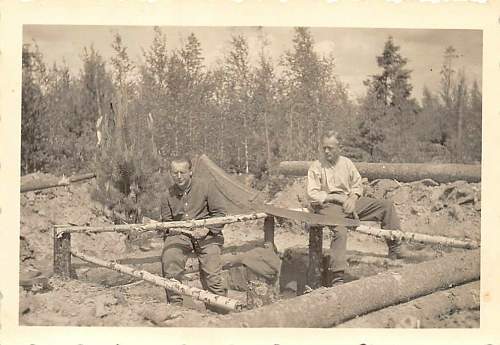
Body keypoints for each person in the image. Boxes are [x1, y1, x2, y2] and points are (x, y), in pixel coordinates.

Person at [307, 130, 407, 286]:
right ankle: (337, 277)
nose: (326, 151)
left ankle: (394, 248)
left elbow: (357, 184)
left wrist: (353, 198)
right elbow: (312, 194)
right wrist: (334, 197)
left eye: (330, 148)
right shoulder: (316, 166)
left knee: (385, 206)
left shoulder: (347, 163)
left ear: (339, 147)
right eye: (324, 147)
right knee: (340, 230)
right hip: (327, 205)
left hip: (348, 201)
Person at [160, 156, 227, 311]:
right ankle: (176, 307)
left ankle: (219, 310)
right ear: (171, 173)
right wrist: (175, 231)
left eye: (182, 172)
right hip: (180, 235)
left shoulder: (207, 187)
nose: (178, 176)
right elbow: (167, 223)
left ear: (190, 172)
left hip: (208, 234)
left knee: (212, 273)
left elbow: (220, 214)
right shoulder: (166, 195)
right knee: (170, 258)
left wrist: (207, 229)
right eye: (175, 172)